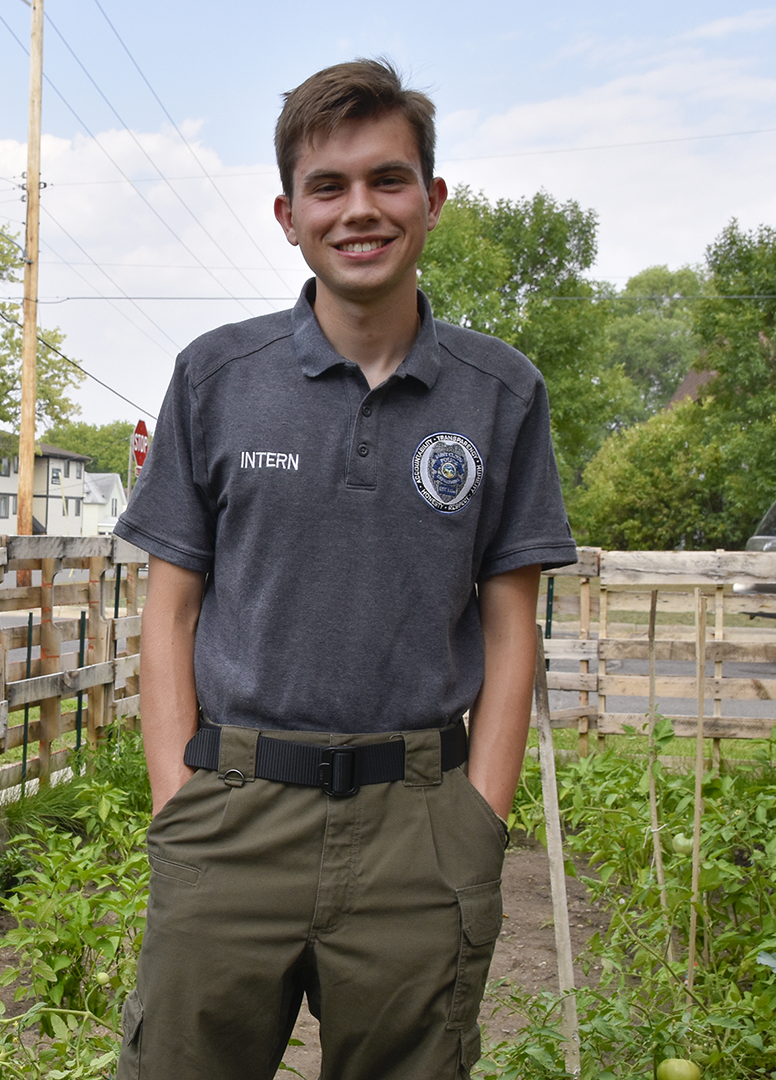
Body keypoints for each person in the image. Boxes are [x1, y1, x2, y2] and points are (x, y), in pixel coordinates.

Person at [110, 58, 578, 1080]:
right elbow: (170, 612)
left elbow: (511, 627)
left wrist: (479, 824)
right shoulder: (218, 378)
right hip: (231, 817)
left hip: (421, 826)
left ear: (432, 200)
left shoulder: (501, 393)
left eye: (387, 180)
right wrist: (176, 806)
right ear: (288, 214)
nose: (358, 210)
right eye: (329, 187)